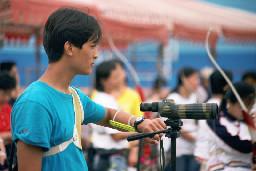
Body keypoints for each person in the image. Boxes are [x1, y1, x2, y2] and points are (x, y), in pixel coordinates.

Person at [10, 8, 167, 171]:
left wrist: (139, 124)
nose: (96, 54)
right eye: (92, 46)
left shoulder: (75, 96)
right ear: (69, 48)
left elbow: (108, 116)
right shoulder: (35, 103)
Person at [91, 60, 137, 171]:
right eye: (115, 77)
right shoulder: (105, 100)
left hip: (108, 156)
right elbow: (115, 135)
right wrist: (142, 131)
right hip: (110, 158)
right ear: (104, 81)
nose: (120, 79)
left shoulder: (104, 98)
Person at [206, 82, 256, 171]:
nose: (246, 111)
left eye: (249, 107)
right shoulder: (215, 121)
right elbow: (241, 146)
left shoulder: (250, 122)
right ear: (229, 101)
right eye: (241, 107)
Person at [194, 69, 233, 171]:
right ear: (227, 87)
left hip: (201, 156)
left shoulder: (205, 105)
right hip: (213, 160)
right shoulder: (227, 108)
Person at [164, 67, 200, 171]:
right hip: (177, 151)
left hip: (193, 150)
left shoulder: (194, 98)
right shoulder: (173, 99)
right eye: (195, 79)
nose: (198, 83)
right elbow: (173, 125)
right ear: (184, 79)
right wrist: (194, 138)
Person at [0, 74, 16, 169]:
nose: (8, 96)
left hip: (9, 151)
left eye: (9, 93)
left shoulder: (9, 109)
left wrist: (3, 136)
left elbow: (16, 132)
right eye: (5, 93)